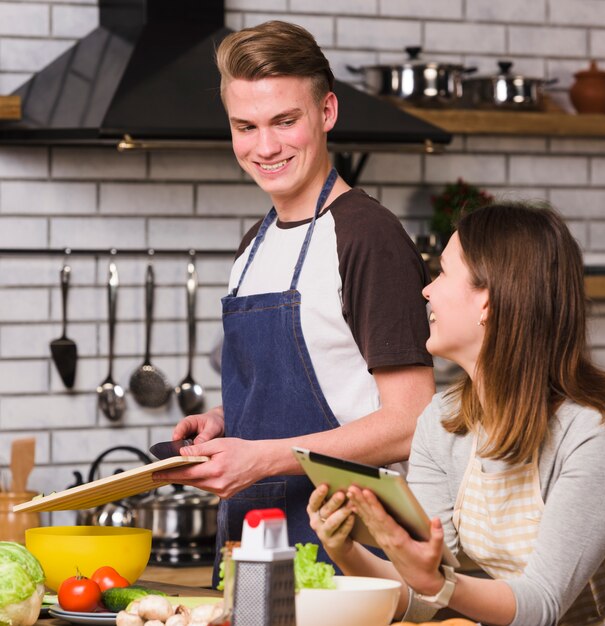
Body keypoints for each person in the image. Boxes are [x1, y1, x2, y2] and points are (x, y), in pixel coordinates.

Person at [154, 20, 435, 582]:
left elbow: (411, 422)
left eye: (285, 121)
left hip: (354, 550)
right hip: (256, 543)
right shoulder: (253, 247)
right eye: (245, 126)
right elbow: (313, 388)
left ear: (327, 113)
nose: (265, 147)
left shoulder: (366, 236)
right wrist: (223, 422)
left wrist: (260, 458)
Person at [307, 202, 605, 626]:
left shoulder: (594, 431)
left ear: (487, 302)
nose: (427, 290)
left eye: (441, 273)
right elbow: (425, 591)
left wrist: (439, 583)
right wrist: (344, 548)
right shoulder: (443, 422)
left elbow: (543, 602)